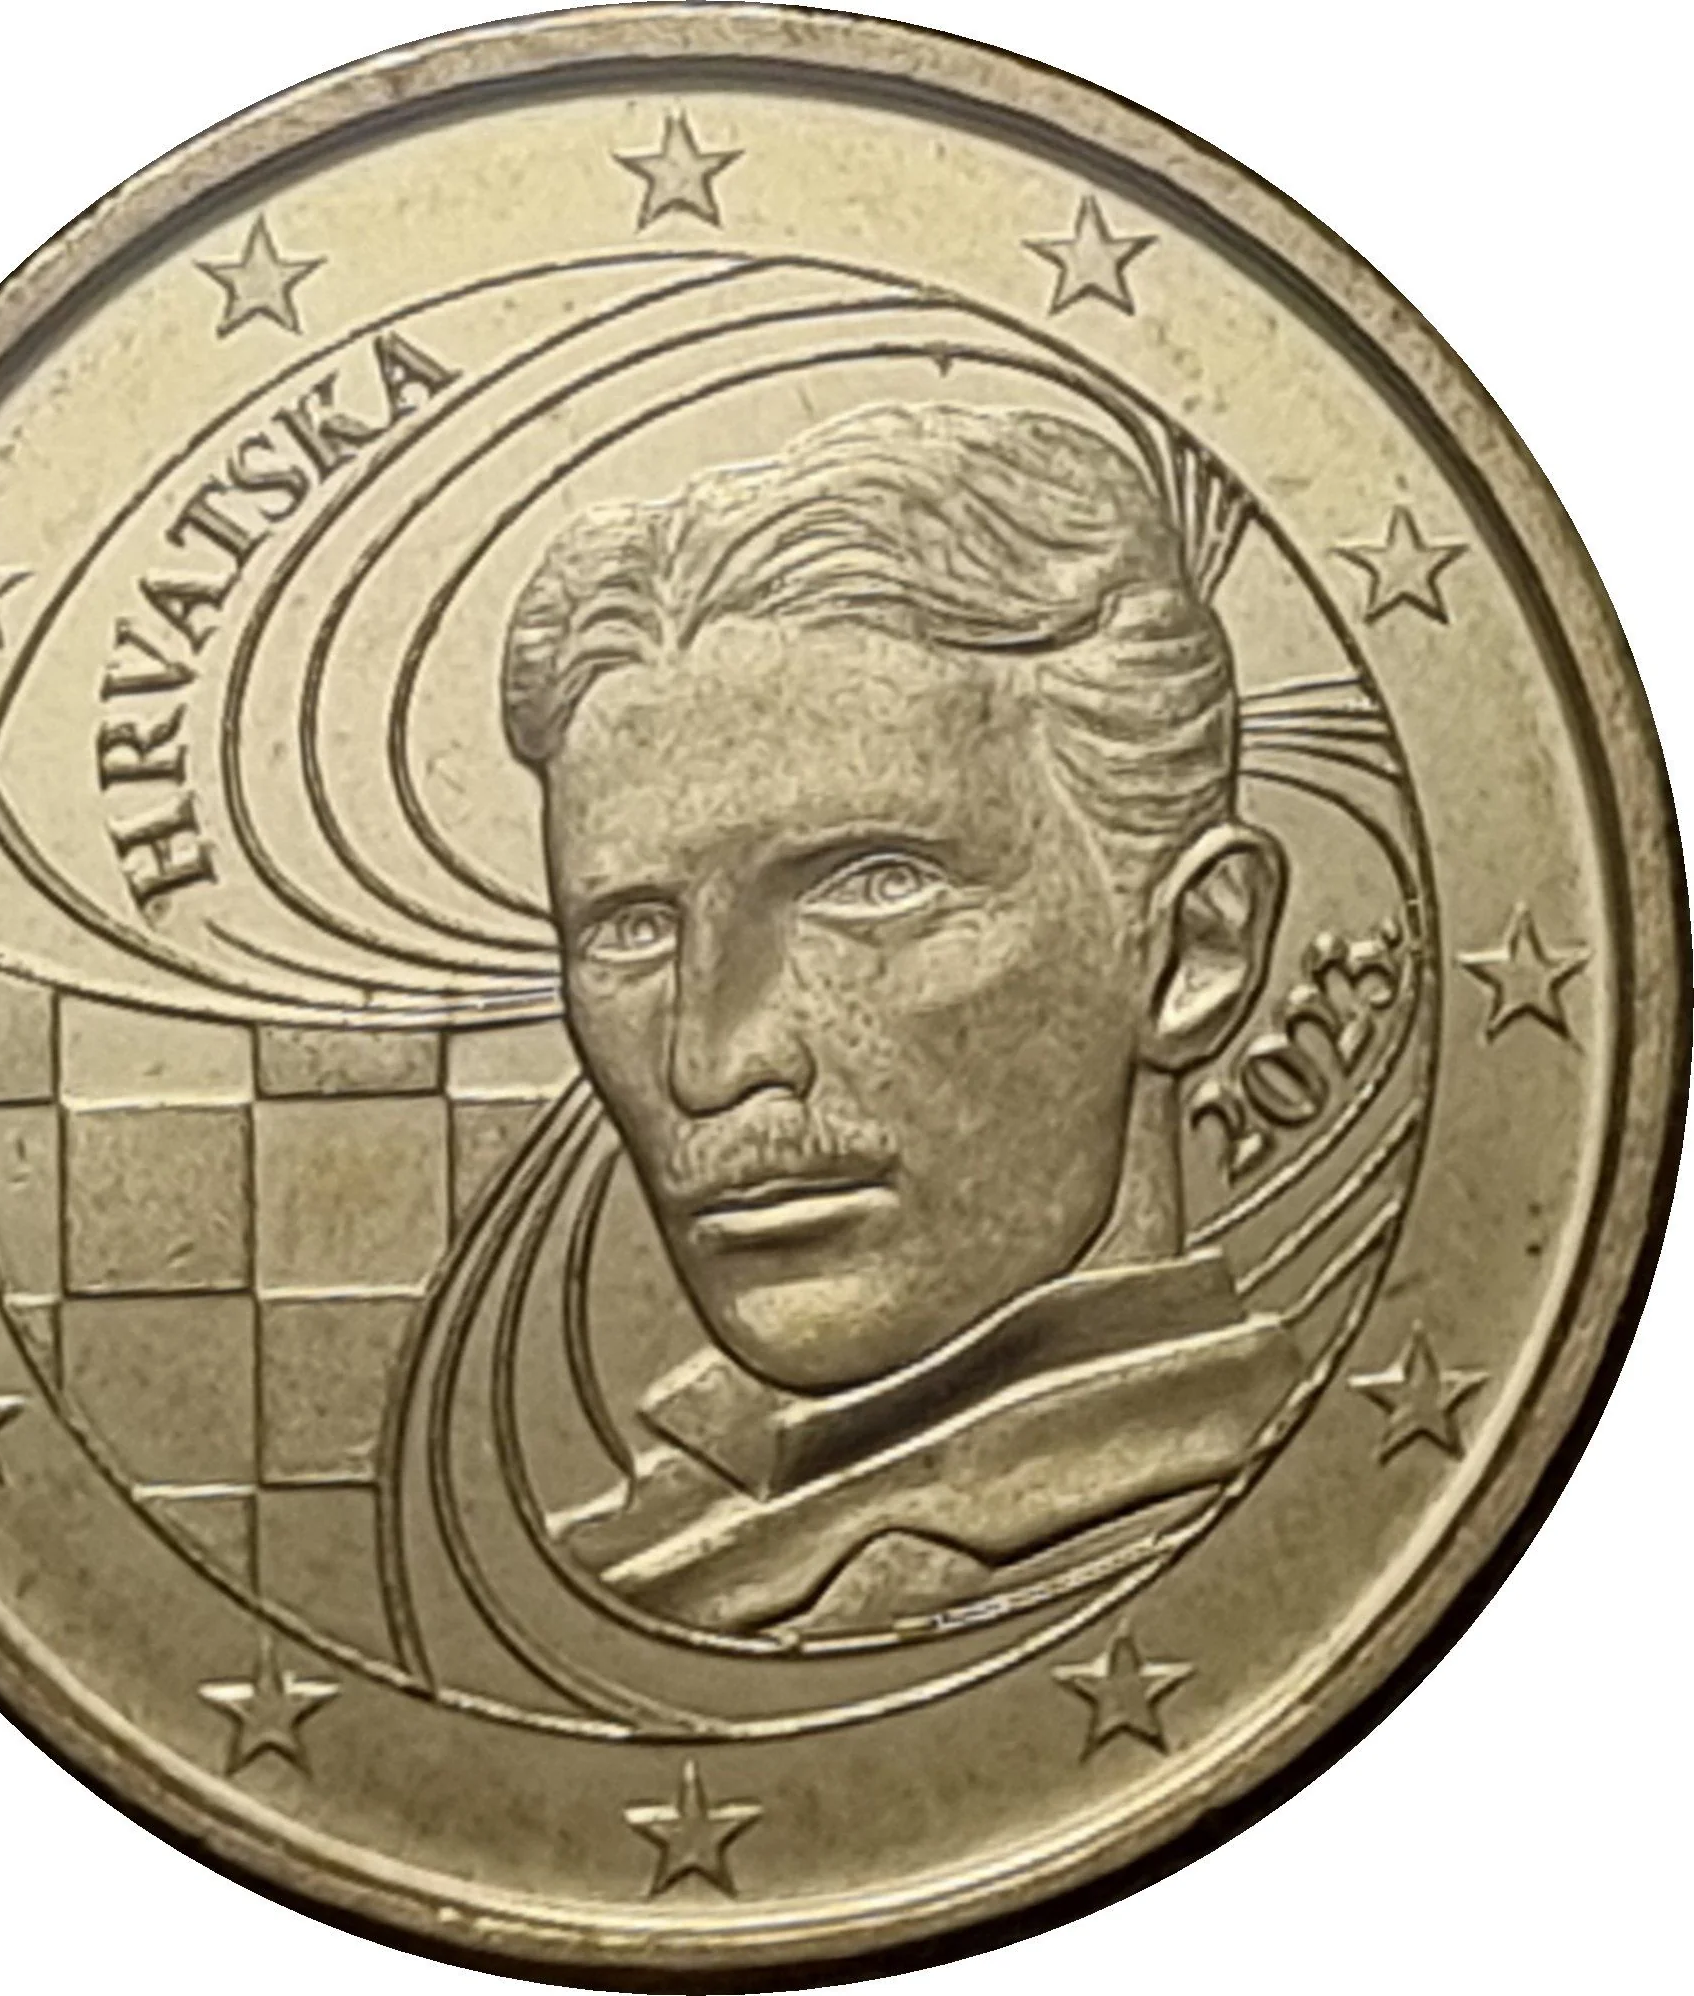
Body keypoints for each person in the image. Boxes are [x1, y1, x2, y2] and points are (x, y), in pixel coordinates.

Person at [498, 402, 1303, 1634]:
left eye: (872, 886)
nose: (713, 1061)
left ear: (1194, 952)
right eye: (633, 928)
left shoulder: (1198, 1529)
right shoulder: (629, 1562)